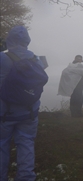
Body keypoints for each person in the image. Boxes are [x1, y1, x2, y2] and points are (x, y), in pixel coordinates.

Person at [0, 26, 47, 181]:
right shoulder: (37, 59)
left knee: (2, 145)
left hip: (4, 114)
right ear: (27, 41)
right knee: (26, 143)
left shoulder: (2, 58)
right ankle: (26, 177)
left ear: (9, 40)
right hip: (29, 113)